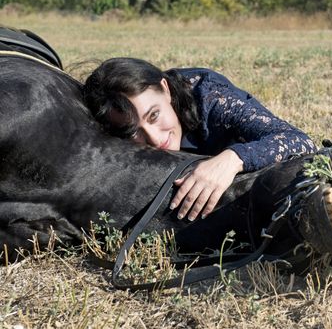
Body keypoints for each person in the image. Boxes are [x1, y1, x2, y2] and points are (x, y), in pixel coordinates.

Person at [83, 57, 316, 222]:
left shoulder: (211, 97)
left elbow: (300, 141)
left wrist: (232, 159)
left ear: (165, 89)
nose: (154, 138)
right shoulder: (109, 127)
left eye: (154, 115)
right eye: (133, 132)